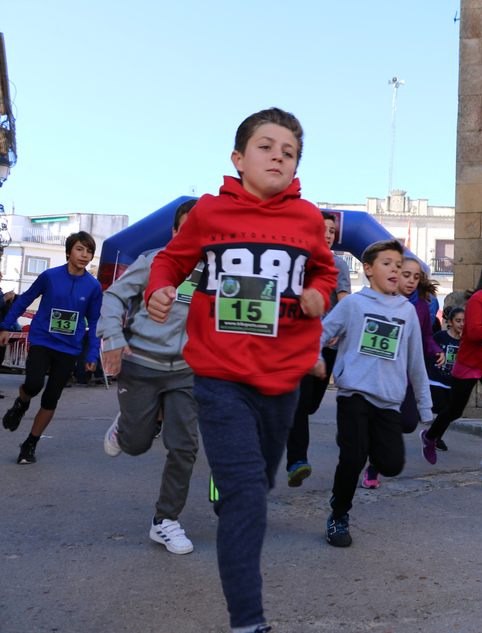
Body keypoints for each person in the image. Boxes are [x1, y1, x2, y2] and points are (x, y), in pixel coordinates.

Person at [145, 107, 338, 633]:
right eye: (266, 147)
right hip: (220, 375)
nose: (278, 156)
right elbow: (170, 260)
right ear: (238, 158)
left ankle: (232, 491)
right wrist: (159, 288)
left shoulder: (306, 218)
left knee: (258, 483)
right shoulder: (210, 212)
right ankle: (248, 622)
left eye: (289, 152)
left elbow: (325, 270)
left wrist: (319, 294)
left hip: (281, 379)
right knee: (248, 497)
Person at [97, 199, 200, 555]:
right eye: (188, 229)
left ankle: (165, 520)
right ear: (174, 232)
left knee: (184, 446)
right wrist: (112, 337)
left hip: (186, 371)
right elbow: (114, 296)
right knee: (136, 444)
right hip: (141, 364)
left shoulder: (216, 272)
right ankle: (125, 426)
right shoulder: (154, 260)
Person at [317, 239, 433, 547]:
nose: (395, 269)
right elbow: (321, 333)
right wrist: (315, 358)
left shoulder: (407, 312)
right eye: (387, 264)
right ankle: (338, 515)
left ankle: (359, 444)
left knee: (392, 464)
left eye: (399, 264)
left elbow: (416, 363)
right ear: (368, 269)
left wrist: (425, 407)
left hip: (389, 402)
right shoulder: (353, 305)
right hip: (354, 394)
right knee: (353, 458)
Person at [1, 231, 102, 465]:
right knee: (34, 384)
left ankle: (30, 444)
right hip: (43, 341)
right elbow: (25, 299)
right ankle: (21, 403)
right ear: (68, 252)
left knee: (50, 399)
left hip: (69, 348)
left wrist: (92, 354)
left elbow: (96, 322)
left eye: (89, 251)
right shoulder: (50, 277)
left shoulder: (93, 287)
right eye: (79, 249)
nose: (84, 255)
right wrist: (5, 326)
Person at [420, 259, 482, 470]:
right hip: (470, 362)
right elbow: (473, 333)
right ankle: (430, 436)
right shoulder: (477, 301)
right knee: (455, 410)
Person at [362, 255, 443, 489]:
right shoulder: (375, 301)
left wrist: (435, 349)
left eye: (416, 277)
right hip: (376, 374)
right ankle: (373, 466)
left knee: (407, 423)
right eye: (406, 275)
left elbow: (426, 336)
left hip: (404, 374)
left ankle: (376, 434)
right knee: (374, 418)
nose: (411, 281)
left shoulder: (421, 306)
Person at [285, 211, 350, 488]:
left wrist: (339, 328)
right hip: (301, 342)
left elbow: (344, 300)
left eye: (332, 231)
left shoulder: (338, 264)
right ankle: (297, 460)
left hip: (328, 344)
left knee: (310, 404)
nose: (328, 234)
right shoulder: (297, 260)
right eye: (324, 229)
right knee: (299, 402)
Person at [429, 306, 464, 419]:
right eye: (458, 321)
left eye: (464, 321)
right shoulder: (440, 336)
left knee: (450, 414)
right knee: (440, 410)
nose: (461, 324)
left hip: (452, 384)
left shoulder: (464, 341)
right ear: (450, 322)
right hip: (435, 382)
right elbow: (428, 350)